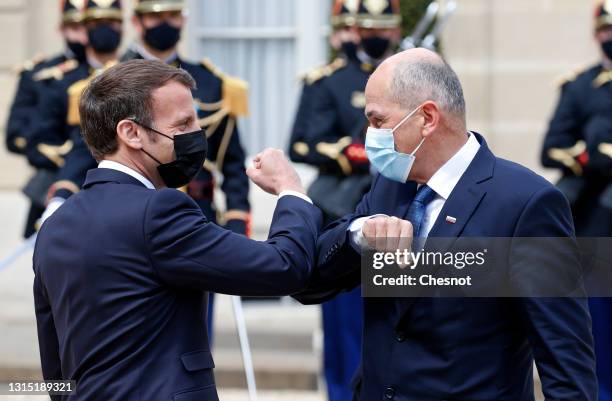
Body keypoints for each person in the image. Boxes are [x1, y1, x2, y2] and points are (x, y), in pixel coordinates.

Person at [295, 48, 598, 401]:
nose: (369, 136)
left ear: (426, 117)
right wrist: (358, 236)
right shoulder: (389, 187)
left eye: (378, 121)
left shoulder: (524, 203)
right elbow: (310, 283)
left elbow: (566, 360)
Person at [33, 59, 322, 401]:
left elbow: (55, 370)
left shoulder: (54, 226)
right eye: (183, 124)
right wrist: (291, 191)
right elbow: (284, 267)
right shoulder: (159, 211)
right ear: (131, 133)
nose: (196, 135)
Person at [288, 2, 400, 400]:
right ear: (351, 29)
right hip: (344, 214)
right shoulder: (327, 81)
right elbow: (301, 143)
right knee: (345, 333)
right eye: (366, 26)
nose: (375, 35)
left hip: (398, 215)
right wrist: (350, 152)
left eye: (383, 27)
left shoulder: (407, 76)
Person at [540, 1, 612, 398]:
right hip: (596, 230)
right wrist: (589, 157)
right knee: (595, 333)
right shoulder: (580, 86)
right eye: (605, 30)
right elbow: (552, 149)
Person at [30, 0, 124, 223]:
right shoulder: (64, 82)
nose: (105, 29)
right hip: (70, 183)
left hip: (123, 193)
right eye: (96, 23)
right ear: (84, 30)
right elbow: (42, 141)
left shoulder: (137, 76)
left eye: (111, 22)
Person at [4, 0, 88, 238]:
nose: (82, 36)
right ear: (61, 28)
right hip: (54, 181)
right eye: (75, 27)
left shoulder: (115, 71)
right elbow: (16, 136)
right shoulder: (41, 74)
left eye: (87, 26)